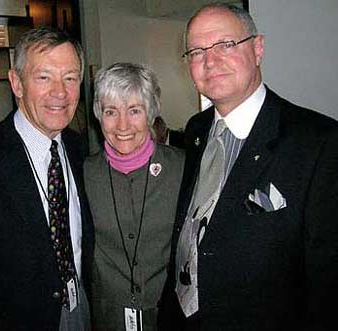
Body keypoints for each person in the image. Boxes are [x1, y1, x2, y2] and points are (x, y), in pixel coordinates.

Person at [158, 3, 338, 331]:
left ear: (257, 48)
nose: (210, 61)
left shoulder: (319, 142)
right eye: (196, 52)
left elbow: (328, 280)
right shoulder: (196, 130)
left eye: (226, 45)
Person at [0, 27, 93, 331]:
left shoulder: (79, 148)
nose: (60, 92)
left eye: (70, 78)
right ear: (16, 83)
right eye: (44, 77)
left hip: (80, 311)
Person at [83, 62, 184, 330]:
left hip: (170, 313)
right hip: (107, 316)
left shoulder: (183, 168)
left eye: (134, 110)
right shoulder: (83, 173)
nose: (122, 125)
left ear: (151, 113)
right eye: (111, 111)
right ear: (98, 115)